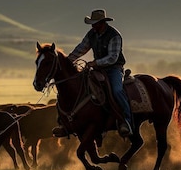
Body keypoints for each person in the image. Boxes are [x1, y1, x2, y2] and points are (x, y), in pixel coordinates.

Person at [52, 9, 133, 137]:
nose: (93, 26)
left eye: (95, 23)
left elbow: (113, 57)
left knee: (117, 90)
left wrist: (95, 63)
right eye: (92, 23)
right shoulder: (92, 34)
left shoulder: (114, 35)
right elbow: (81, 48)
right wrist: (67, 62)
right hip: (98, 70)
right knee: (80, 87)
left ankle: (126, 121)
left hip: (114, 69)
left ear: (102, 23)